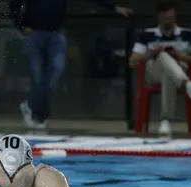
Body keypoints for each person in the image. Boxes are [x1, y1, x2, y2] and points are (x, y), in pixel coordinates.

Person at [9, 0, 132, 131]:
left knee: (57, 67)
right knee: (37, 76)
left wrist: (114, 7)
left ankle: (31, 105)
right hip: (34, 34)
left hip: (56, 34)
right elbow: (14, 4)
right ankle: (39, 117)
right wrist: (20, 26)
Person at [129, 1, 191, 137]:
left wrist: (181, 56)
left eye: (171, 17)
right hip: (153, 73)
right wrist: (151, 53)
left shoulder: (187, 35)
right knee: (163, 56)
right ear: (159, 17)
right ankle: (187, 85)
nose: (168, 20)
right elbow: (132, 62)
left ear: (175, 17)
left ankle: (165, 121)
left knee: (168, 74)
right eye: (165, 18)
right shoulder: (147, 35)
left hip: (178, 69)